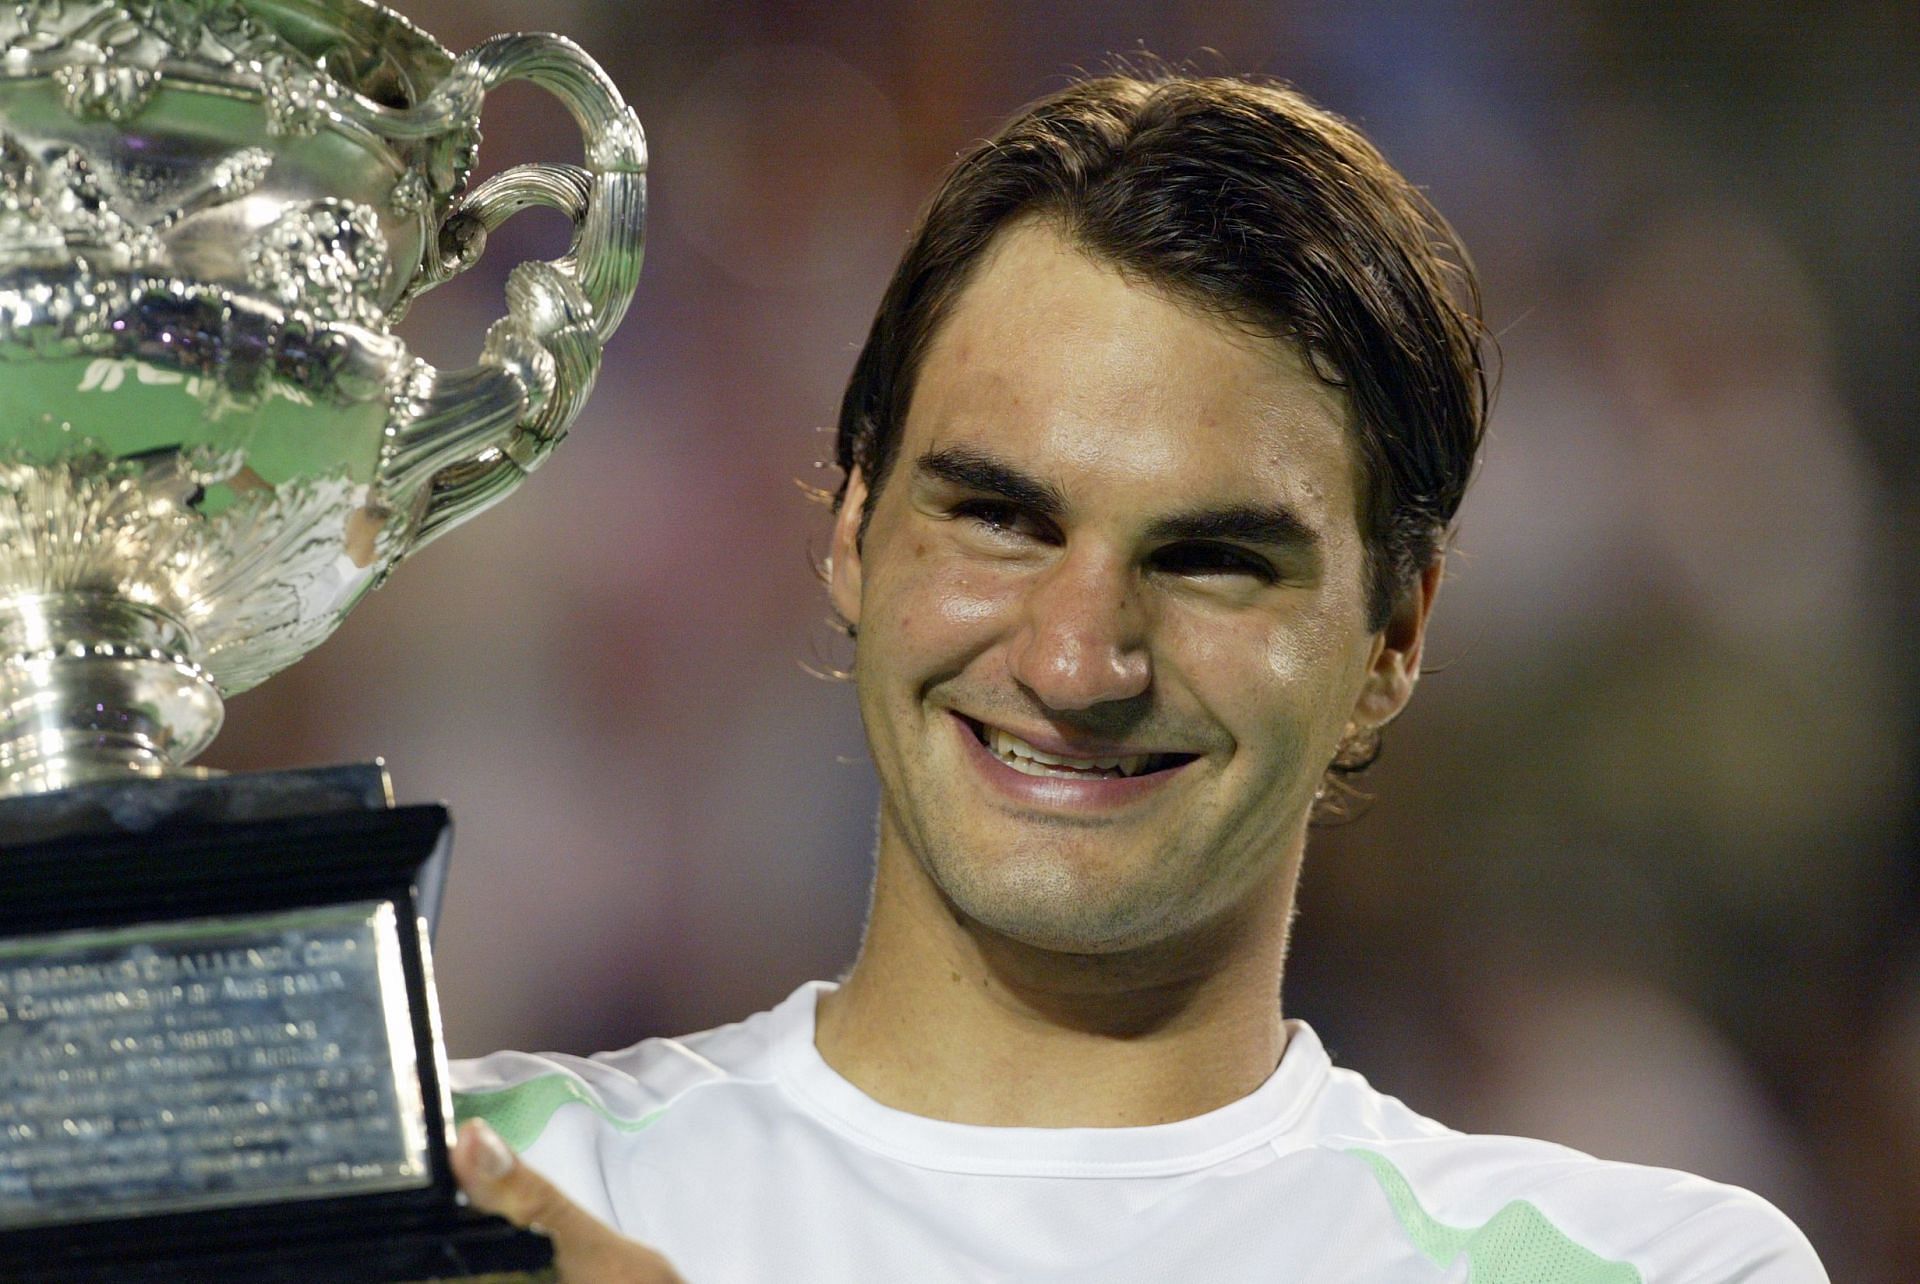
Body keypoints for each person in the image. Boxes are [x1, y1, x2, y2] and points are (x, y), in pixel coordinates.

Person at [445, 73, 1829, 1282]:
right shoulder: (453, 1188)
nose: (1074, 658)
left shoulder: (1651, 1267)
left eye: (1212, 558)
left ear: (1395, 640)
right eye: (1001, 518)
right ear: (853, 535)